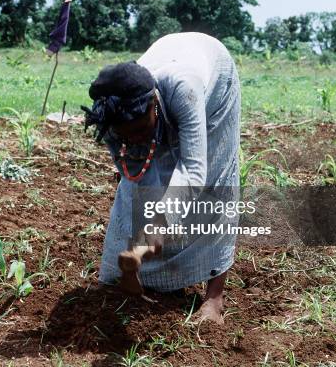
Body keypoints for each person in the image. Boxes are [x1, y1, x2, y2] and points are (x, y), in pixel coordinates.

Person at [82, 32, 241, 324]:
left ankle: (214, 297)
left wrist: (162, 221)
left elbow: (193, 171)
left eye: (142, 129)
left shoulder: (184, 89)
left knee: (216, 184)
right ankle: (138, 277)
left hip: (213, 78)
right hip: (169, 61)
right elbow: (133, 176)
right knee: (139, 192)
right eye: (126, 135)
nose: (136, 139)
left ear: (154, 104)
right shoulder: (110, 115)